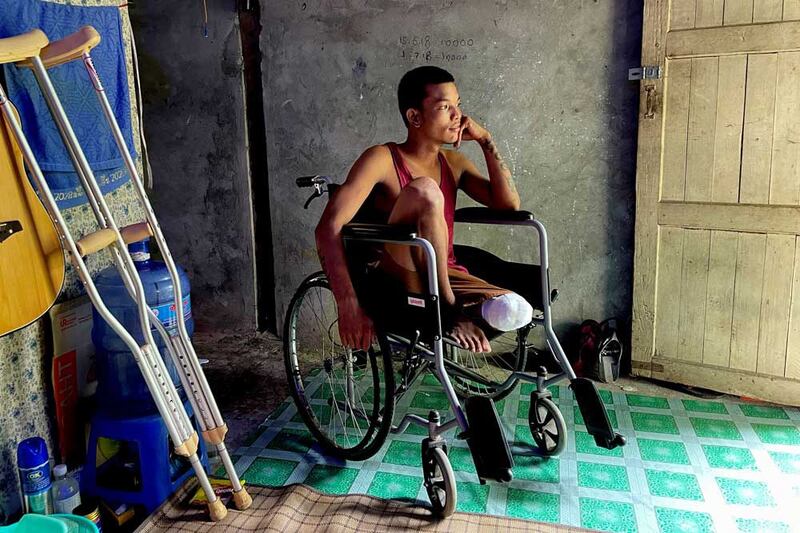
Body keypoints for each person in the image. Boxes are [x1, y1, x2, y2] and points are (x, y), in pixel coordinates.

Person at [315, 65, 532, 354]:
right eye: (445, 107)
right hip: (395, 278)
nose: (459, 117)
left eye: (458, 105)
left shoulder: (453, 164)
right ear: (414, 116)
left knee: (514, 310)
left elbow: (508, 204)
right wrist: (347, 303)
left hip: (442, 270)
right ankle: (449, 313)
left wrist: (485, 138)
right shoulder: (381, 158)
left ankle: (458, 308)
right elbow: (327, 227)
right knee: (425, 189)